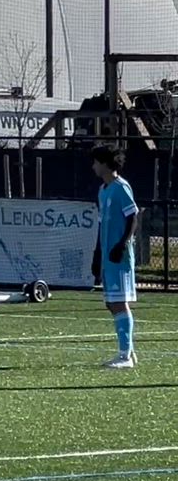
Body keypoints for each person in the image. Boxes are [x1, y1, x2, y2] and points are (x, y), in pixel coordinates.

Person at [91, 145, 139, 369]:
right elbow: (102, 224)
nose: (93, 166)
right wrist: (97, 253)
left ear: (104, 163)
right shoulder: (103, 190)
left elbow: (132, 217)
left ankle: (125, 356)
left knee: (119, 302)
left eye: (95, 162)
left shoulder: (121, 187)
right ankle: (128, 350)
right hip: (107, 256)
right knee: (111, 303)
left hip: (119, 256)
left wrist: (122, 244)